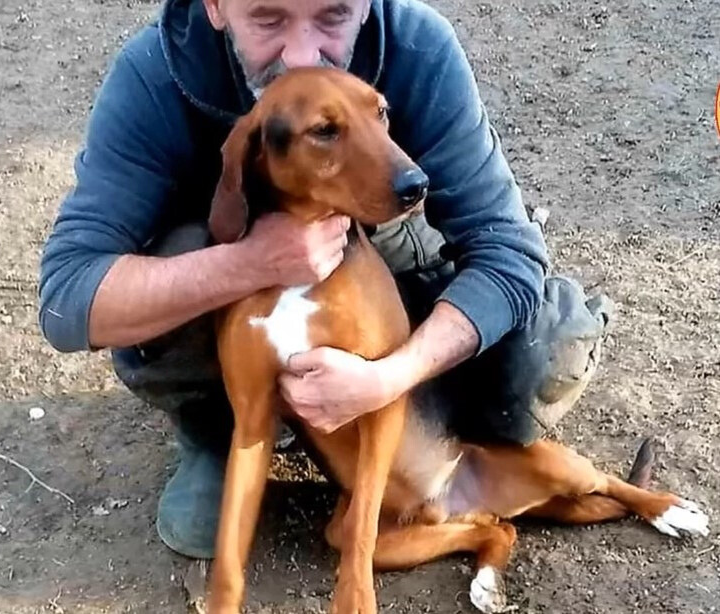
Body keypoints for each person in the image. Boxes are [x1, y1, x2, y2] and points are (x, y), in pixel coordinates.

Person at [38, 0, 612, 560]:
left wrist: (392, 375)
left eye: (334, 15)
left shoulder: (418, 46)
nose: (302, 53)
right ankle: (219, 427)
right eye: (267, 18)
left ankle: (438, 448)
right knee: (188, 248)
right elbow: (68, 298)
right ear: (214, 6)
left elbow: (508, 252)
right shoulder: (152, 76)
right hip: (240, 319)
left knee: (541, 350)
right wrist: (250, 262)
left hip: (390, 300)